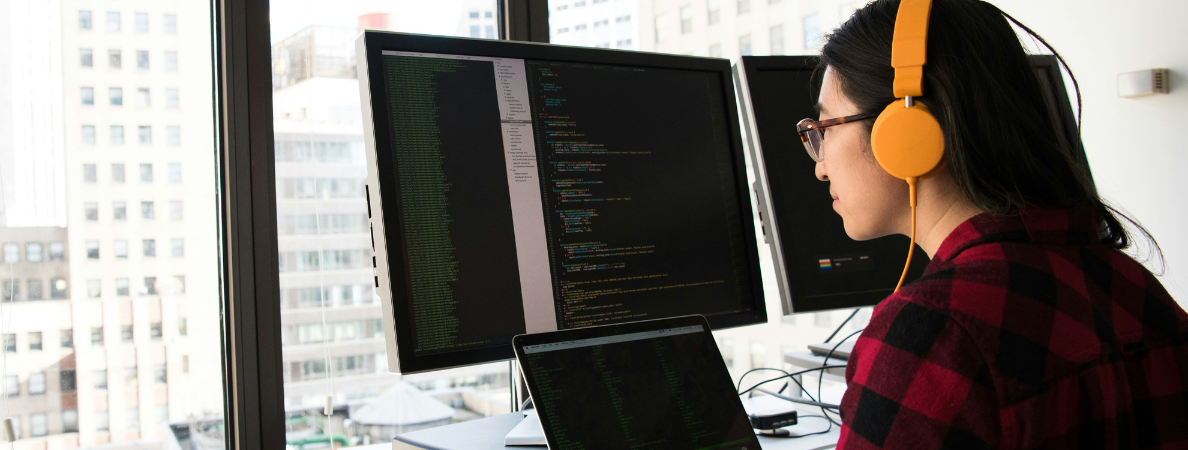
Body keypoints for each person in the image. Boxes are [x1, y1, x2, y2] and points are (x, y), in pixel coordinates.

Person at [798, 0, 1188, 448]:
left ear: (904, 130)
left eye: (824, 128)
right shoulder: (1138, 289)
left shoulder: (933, 333)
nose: (820, 167)